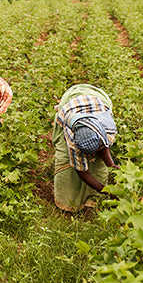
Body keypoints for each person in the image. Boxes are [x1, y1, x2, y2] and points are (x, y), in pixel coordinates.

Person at [52, 83, 119, 213]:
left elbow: (105, 147)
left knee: (99, 166)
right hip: (70, 105)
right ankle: (67, 203)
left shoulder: (108, 130)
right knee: (66, 162)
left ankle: (93, 202)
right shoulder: (72, 140)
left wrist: (112, 165)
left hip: (97, 103)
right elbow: (84, 174)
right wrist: (108, 191)